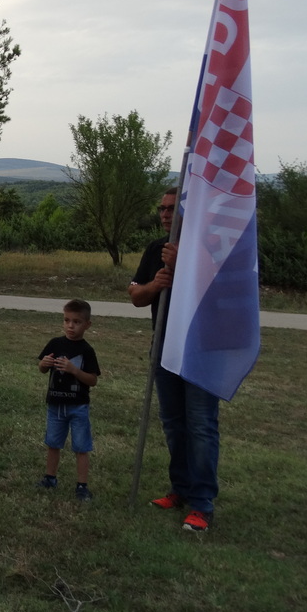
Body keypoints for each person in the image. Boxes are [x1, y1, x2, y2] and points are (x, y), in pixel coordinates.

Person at [129, 187, 220, 533]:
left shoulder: (209, 248)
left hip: (200, 347)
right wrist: (156, 284)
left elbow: (220, 297)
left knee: (201, 424)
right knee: (173, 423)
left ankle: (202, 503)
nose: (165, 214)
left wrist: (184, 264)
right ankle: (180, 489)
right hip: (164, 346)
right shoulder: (157, 249)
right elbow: (136, 296)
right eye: (162, 209)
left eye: (173, 208)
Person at [35, 299, 100, 501]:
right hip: (55, 405)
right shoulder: (55, 343)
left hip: (78, 406)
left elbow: (93, 380)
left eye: (77, 322)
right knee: (53, 443)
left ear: (87, 324)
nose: (70, 326)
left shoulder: (87, 350)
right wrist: (44, 364)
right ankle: (50, 478)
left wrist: (74, 370)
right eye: (67, 320)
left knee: (81, 446)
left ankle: (82, 485)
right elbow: (42, 368)